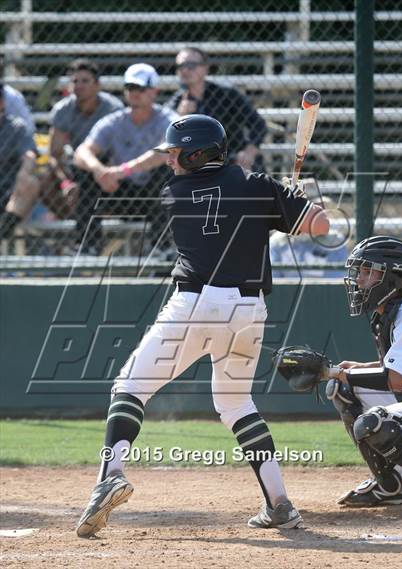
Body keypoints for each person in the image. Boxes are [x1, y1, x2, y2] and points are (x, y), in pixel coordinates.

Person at [76, 114, 330, 538]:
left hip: (195, 304)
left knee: (130, 387)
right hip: (249, 311)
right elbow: (319, 225)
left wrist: (278, 198)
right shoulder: (258, 184)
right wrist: (295, 200)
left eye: (176, 154)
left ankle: (109, 477)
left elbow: (227, 207)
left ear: (197, 154)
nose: (170, 162)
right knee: (236, 405)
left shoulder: (174, 192)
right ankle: (280, 504)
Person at [326, 236, 402, 506]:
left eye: (368, 272)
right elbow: (398, 370)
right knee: (344, 388)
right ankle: (393, 484)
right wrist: (350, 371)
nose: (358, 280)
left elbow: (397, 380)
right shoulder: (387, 315)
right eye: (359, 272)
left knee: (378, 424)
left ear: (391, 277)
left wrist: (330, 372)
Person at [0, 59, 124, 243]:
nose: (79, 86)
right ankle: (71, 223)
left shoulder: (113, 109)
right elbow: (55, 153)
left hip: (105, 166)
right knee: (44, 174)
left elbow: (119, 152)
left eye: (85, 81)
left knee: (89, 181)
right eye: (75, 81)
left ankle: (85, 234)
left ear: (98, 85)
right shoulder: (63, 109)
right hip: (75, 167)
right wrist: (66, 182)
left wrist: (100, 173)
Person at [74, 63, 177, 253]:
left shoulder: (168, 119)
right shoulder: (114, 121)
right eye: (130, 88)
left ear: (154, 91)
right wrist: (100, 171)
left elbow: (167, 151)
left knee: (167, 173)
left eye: (141, 88)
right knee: (87, 175)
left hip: (153, 195)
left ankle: (161, 249)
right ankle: (88, 246)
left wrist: (122, 171)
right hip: (119, 191)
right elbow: (82, 152)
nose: (135, 93)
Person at [167, 47, 267, 170]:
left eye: (191, 65)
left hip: (232, 159)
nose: (185, 70)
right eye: (180, 66)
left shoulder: (226, 94)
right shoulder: (176, 102)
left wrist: (249, 153)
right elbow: (166, 140)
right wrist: (179, 117)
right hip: (197, 167)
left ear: (205, 68)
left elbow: (258, 124)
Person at [0, 84, 38, 239]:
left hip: (9, 188)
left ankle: (3, 231)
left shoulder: (16, 126)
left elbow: (29, 154)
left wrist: (24, 172)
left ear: (2, 102)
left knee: (31, 182)